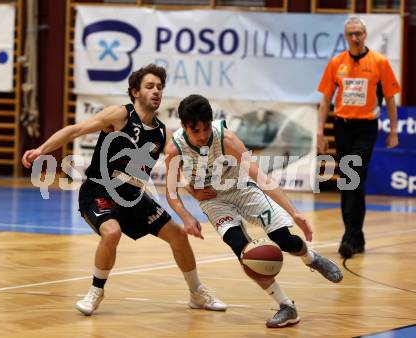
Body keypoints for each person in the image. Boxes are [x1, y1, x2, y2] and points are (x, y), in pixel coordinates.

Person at [22, 64, 227, 315]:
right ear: (135, 92)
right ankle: (96, 291)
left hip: (133, 197)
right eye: (150, 86)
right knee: (112, 232)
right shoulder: (119, 115)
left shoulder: (164, 134)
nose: (156, 91)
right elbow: (75, 130)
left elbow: (177, 179)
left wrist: (188, 211)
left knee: (178, 236)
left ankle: (197, 293)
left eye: (160, 87)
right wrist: (41, 150)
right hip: (99, 191)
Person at [164, 94, 343, 328]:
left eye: (206, 129)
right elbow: (171, 191)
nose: (202, 136)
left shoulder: (225, 138)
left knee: (283, 239)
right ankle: (286, 306)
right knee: (244, 252)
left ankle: (312, 258)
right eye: (196, 131)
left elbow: (259, 174)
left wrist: (294, 212)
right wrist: (186, 215)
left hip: (241, 187)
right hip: (214, 200)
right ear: (183, 126)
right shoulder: (174, 150)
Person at [317, 17, 400, 259]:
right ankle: (357, 237)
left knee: (354, 176)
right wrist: (321, 132)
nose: (355, 38)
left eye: (359, 33)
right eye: (351, 34)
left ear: (365, 35)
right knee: (348, 182)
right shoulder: (336, 63)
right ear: (345, 37)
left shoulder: (379, 62)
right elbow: (325, 100)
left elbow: (391, 100)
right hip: (342, 127)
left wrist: (393, 131)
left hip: (366, 128)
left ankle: (349, 238)